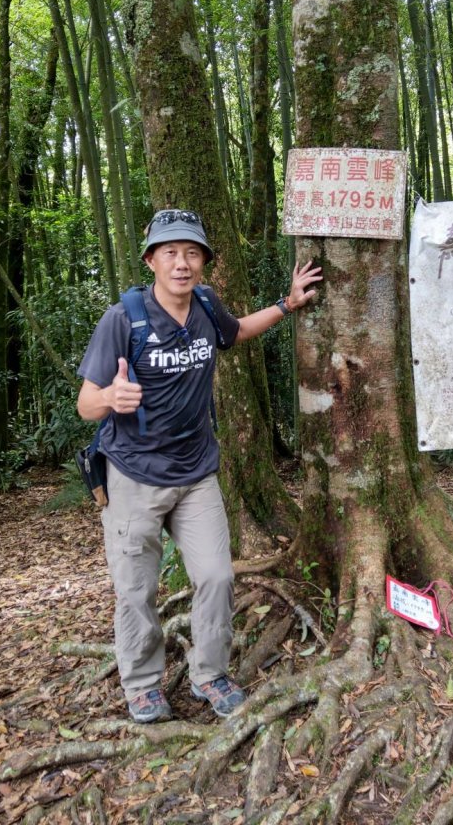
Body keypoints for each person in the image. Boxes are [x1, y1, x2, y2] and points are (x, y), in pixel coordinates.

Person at [77, 209, 322, 723]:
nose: (182, 263)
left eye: (192, 253)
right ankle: (142, 684)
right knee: (136, 590)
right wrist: (111, 398)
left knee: (215, 577)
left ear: (204, 263)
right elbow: (86, 403)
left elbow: (235, 333)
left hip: (195, 476)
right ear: (151, 260)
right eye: (170, 252)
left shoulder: (207, 307)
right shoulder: (123, 318)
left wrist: (287, 304)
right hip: (133, 477)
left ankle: (210, 674)